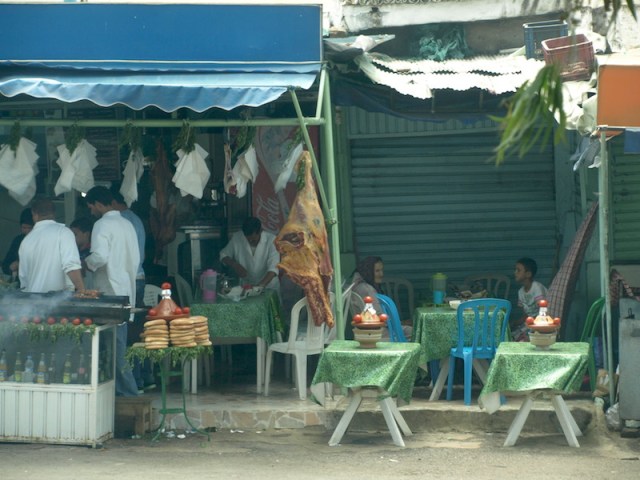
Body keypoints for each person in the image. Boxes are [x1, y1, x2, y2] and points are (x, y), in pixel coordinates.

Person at [84, 186, 140, 397]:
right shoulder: (127, 224)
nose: (91, 212)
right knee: (118, 346)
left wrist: (84, 264)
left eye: (91, 207)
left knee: (114, 350)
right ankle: (119, 393)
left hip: (109, 293)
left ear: (98, 204)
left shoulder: (102, 224)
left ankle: (130, 395)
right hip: (126, 290)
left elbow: (100, 256)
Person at [110, 187, 154, 392]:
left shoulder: (121, 221)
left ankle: (135, 380)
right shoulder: (134, 219)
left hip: (129, 278)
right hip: (138, 276)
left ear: (112, 203)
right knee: (135, 331)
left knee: (128, 333)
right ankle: (143, 377)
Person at [18, 197, 84, 293]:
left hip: (33, 302)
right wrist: (82, 291)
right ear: (54, 213)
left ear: (35, 215)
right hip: (58, 302)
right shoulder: (63, 232)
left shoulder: (26, 241)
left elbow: (24, 278)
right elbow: (71, 266)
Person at [350, 255, 411, 340]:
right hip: (379, 333)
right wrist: (400, 323)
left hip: (367, 332)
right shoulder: (368, 290)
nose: (381, 274)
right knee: (413, 332)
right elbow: (379, 317)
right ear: (368, 272)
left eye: (381, 270)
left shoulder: (357, 286)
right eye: (377, 271)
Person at [220, 217, 280, 291]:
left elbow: (273, 268)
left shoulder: (272, 240)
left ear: (260, 231)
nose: (251, 241)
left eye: (253, 239)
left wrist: (259, 287)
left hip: (269, 287)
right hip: (246, 286)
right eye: (248, 239)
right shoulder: (237, 238)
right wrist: (235, 265)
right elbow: (223, 255)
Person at [513, 257, 548, 341]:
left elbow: (544, 311)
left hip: (542, 323)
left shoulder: (537, 288)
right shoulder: (520, 292)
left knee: (523, 340)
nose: (515, 273)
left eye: (518, 270)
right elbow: (526, 315)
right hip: (530, 323)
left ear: (528, 274)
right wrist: (514, 323)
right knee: (513, 336)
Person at [2, 208, 34, 283]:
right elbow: (5, 265)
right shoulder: (18, 240)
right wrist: (11, 267)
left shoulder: (41, 240)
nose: (26, 231)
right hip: (20, 284)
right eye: (24, 228)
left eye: (29, 228)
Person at [70, 216, 95, 289]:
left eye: (75, 234)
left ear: (86, 234)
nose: (72, 238)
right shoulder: (72, 250)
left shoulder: (92, 252)